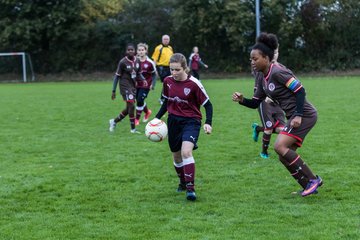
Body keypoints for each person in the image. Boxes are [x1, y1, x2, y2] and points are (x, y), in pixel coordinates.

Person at [232, 32, 322, 197]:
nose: (252, 62)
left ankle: (313, 179)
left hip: (305, 114)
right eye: (251, 59)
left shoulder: (277, 72)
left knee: (279, 146)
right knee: (283, 156)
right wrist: (241, 100)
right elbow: (255, 103)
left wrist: (298, 115)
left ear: (266, 58)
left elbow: (300, 91)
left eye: (255, 59)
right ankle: (308, 187)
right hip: (295, 116)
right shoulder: (261, 77)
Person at [153, 53, 213, 201]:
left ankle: (190, 189)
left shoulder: (194, 84)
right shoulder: (167, 81)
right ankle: (182, 182)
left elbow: (208, 105)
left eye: (177, 70)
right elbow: (167, 103)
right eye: (171, 69)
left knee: (186, 152)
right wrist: (156, 119)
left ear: (185, 68)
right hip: (173, 121)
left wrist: (208, 122)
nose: (173, 73)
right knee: (176, 156)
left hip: (191, 122)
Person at [251, 47, 286, 159]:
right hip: (264, 103)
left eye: (276, 52)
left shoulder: (281, 68)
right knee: (269, 128)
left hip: (277, 103)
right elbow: (256, 91)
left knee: (282, 129)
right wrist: (266, 97)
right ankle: (264, 152)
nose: (274, 54)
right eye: (272, 52)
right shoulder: (262, 70)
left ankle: (257, 129)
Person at [109, 43, 146, 134]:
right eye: (128, 50)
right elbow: (117, 77)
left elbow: (138, 73)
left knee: (128, 108)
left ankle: (114, 121)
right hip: (124, 86)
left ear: (134, 51)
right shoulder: (122, 62)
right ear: (126, 51)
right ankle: (133, 129)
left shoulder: (137, 61)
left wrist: (143, 79)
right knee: (132, 105)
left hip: (133, 86)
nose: (130, 51)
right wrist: (113, 90)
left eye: (132, 50)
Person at [134, 43, 157, 126]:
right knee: (139, 100)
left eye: (142, 50)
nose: (141, 52)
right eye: (139, 50)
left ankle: (136, 119)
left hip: (146, 85)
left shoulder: (150, 62)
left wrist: (153, 85)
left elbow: (154, 74)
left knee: (139, 100)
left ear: (146, 51)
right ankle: (147, 112)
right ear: (137, 51)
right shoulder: (135, 61)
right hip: (136, 85)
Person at [151, 34, 174, 104]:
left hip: (169, 67)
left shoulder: (170, 48)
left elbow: (172, 58)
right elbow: (154, 59)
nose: (166, 40)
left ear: (169, 40)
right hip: (161, 68)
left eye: (167, 39)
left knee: (170, 83)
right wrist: (154, 70)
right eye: (165, 39)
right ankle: (163, 98)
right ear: (162, 40)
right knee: (167, 83)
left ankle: (165, 98)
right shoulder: (158, 48)